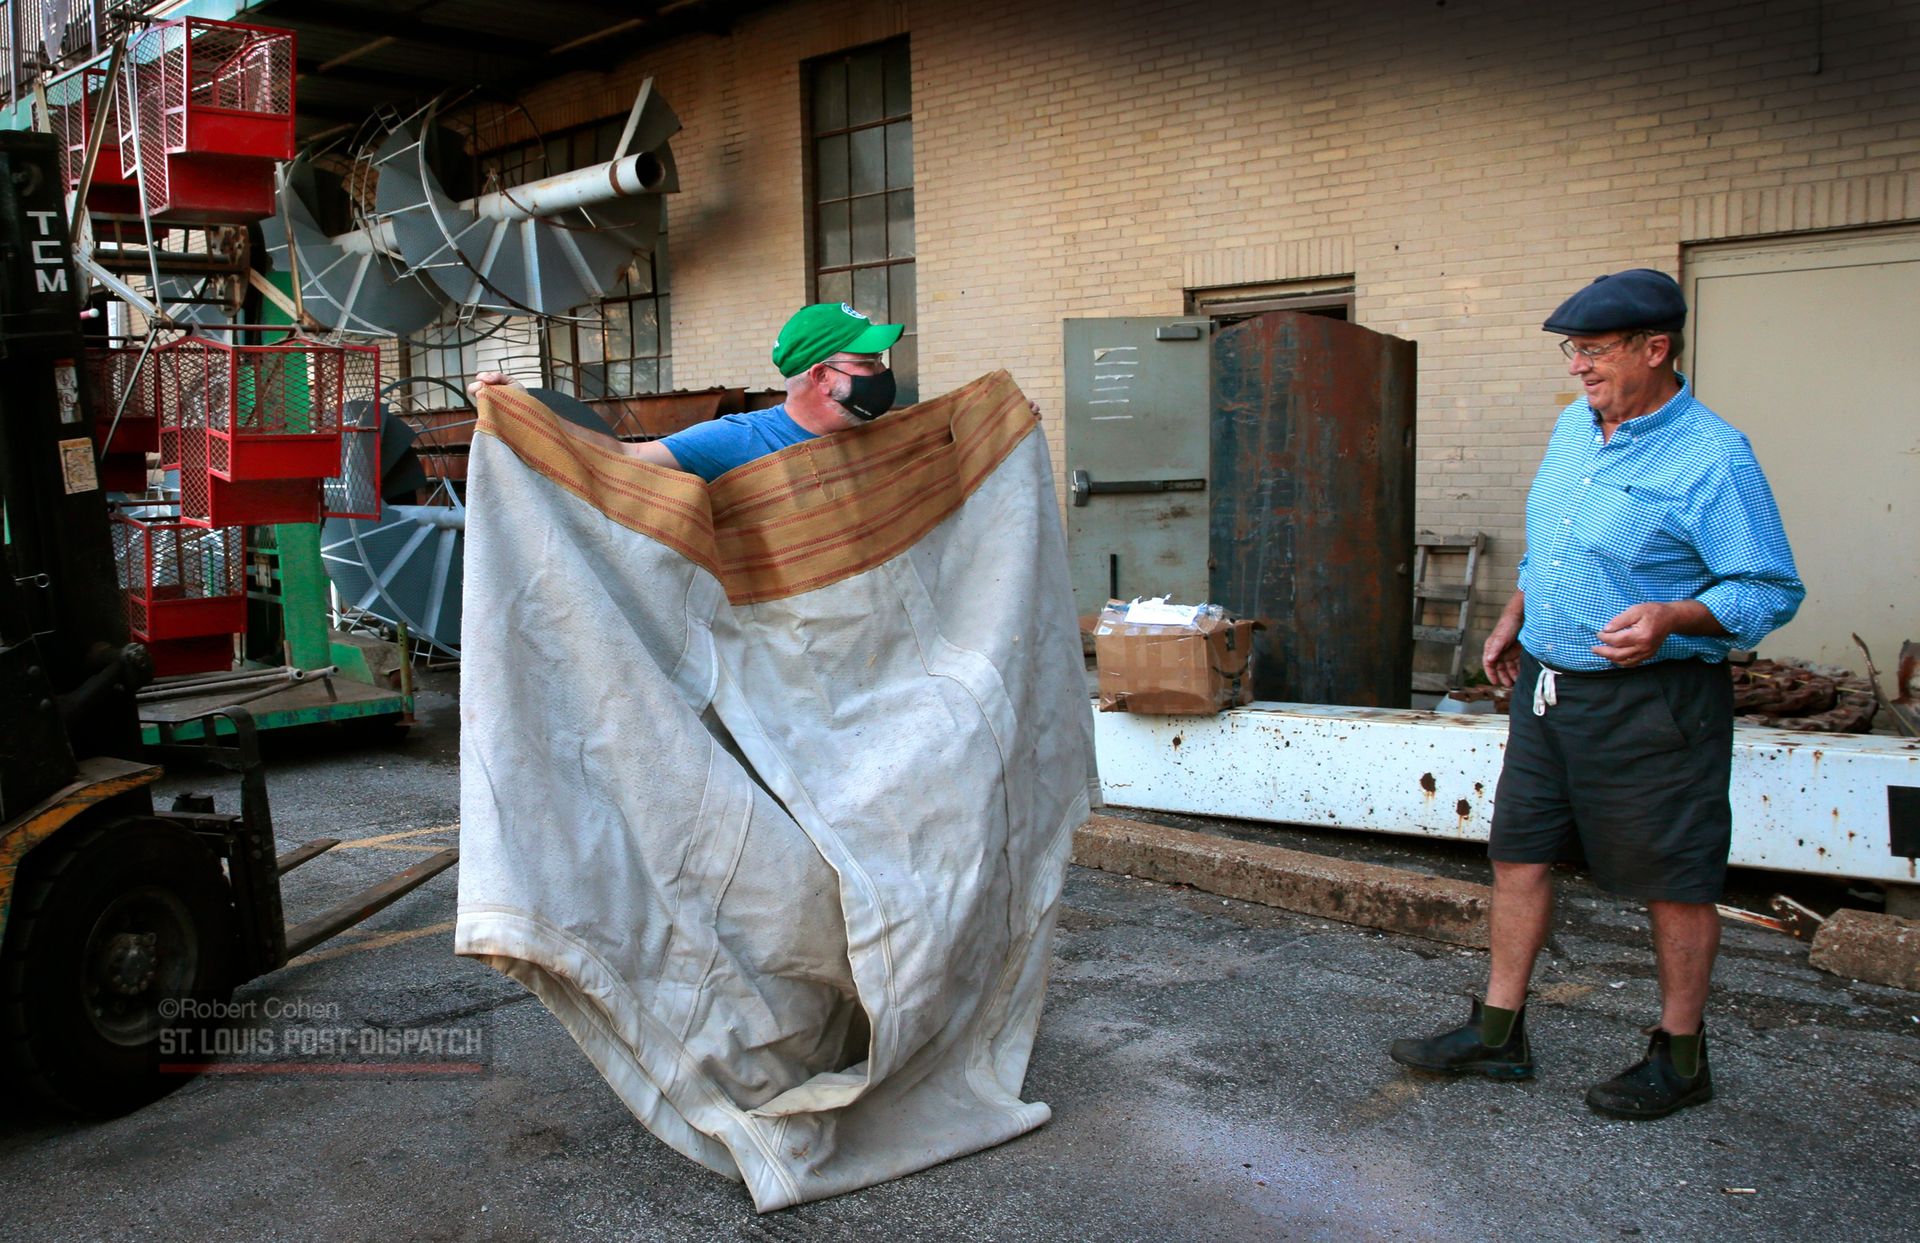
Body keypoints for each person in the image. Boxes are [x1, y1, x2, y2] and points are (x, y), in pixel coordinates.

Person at [1388, 268, 1803, 1120]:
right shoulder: (1575, 431)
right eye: (1573, 350)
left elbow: (1768, 589)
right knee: (1518, 852)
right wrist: (1515, 613)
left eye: (1594, 350)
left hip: (1655, 700)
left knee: (1675, 879)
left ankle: (1680, 1055)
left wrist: (1675, 614)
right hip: (1547, 689)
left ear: (1657, 348)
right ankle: (1499, 1032)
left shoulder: (1714, 457)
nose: (1576, 367)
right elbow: (1557, 548)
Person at [465, 302, 904, 481]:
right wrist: (522, 409)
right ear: (821, 376)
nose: (881, 372)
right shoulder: (740, 439)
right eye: (868, 362)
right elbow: (626, 458)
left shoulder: (896, 434)